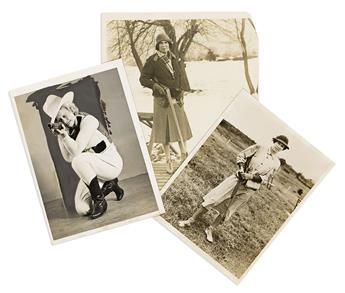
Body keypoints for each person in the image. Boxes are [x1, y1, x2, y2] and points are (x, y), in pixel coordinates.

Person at [178, 135, 290, 243]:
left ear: (283, 149)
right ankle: (190, 220)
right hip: (237, 180)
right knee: (214, 198)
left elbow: (266, 179)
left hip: (250, 189)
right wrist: (241, 170)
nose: (278, 146)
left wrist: (251, 177)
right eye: (278, 143)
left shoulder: (276, 163)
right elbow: (242, 155)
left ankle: (210, 229)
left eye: (282, 146)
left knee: (229, 209)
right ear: (274, 141)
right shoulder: (260, 147)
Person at [43, 91, 124, 219]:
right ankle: (111, 186)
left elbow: (75, 153)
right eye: (59, 120)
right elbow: (68, 158)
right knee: (82, 209)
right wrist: (61, 136)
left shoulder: (88, 120)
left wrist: (65, 136)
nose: (64, 120)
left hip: (111, 163)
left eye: (64, 115)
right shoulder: (67, 133)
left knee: (78, 160)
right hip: (94, 169)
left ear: (70, 109)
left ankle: (100, 201)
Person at [139, 33, 193, 173]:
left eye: (166, 43)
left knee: (181, 127)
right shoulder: (153, 60)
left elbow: (181, 76)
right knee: (165, 132)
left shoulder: (174, 58)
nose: (164, 45)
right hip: (162, 100)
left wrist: (182, 92)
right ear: (157, 45)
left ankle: (183, 155)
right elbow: (143, 79)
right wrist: (156, 86)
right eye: (161, 43)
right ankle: (168, 160)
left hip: (176, 98)